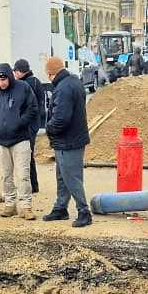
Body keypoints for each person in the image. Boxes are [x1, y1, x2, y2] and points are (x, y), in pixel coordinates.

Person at [0, 63, 40, 219]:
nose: (1, 83)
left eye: (4, 79)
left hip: (21, 139)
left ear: (9, 76)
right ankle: (10, 204)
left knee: (23, 175)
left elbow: (32, 108)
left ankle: (26, 206)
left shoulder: (23, 88)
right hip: (0, 141)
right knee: (5, 175)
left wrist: (21, 122)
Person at [43, 56, 92, 228]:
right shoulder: (73, 81)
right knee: (62, 176)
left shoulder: (63, 88)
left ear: (50, 74)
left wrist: (48, 128)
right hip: (70, 139)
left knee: (71, 177)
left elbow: (61, 118)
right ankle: (60, 208)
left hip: (68, 141)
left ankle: (84, 211)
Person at [13, 58, 45, 195]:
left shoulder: (25, 85)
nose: (14, 74)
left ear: (20, 71)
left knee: (26, 155)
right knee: (28, 155)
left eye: (15, 71)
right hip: (35, 122)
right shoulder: (36, 81)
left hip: (29, 124)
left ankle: (31, 185)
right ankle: (33, 185)